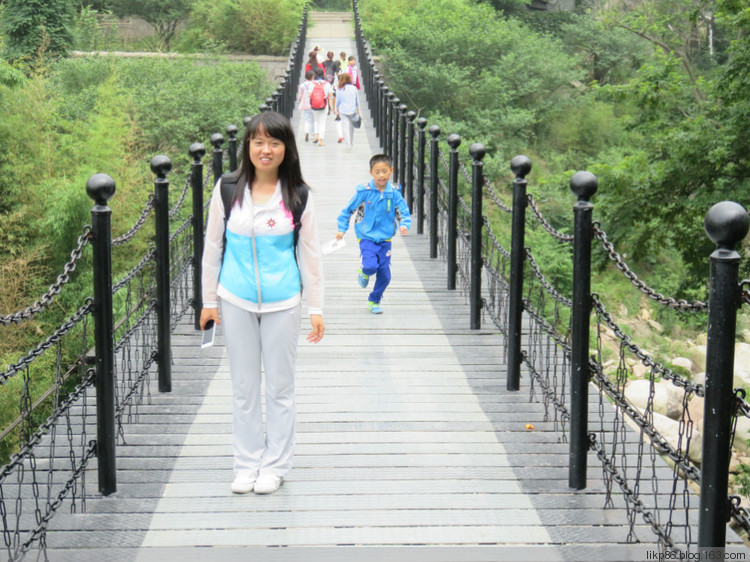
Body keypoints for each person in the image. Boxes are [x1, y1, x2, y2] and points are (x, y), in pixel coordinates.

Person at [200, 111, 325, 495]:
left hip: (283, 300)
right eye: (258, 142)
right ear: (248, 147)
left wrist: (316, 308)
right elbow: (212, 246)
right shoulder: (227, 189)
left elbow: (310, 254)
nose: (265, 150)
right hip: (234, 297)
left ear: (286, 148)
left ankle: (274, 466)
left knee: (280, 388)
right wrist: (208, 300)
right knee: (244, 386)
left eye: (274, 142)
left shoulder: (299, 196)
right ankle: (246, 463)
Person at [335, 154, 411, 314]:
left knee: (385, 275)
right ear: (371, 173)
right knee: (370, 266)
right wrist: (342, 228)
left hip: (385, 238)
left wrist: (404, 225)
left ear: (391, 171)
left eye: (384, 171)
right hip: (366, 236)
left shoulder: (394, 193)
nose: (381, 175)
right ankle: (364, 271)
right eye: (377, 172)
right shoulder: (364, 192)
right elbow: (348, 210)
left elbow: (403, 211)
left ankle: (374, 300)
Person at [334, 72, 360, 152]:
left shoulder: (339, 89)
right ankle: (351, 142)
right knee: (352, 127)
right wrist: (358, 110)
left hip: (343, 110)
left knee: (345, 127)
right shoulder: (354, 88)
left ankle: (348, 145)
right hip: (352, 109)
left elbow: (337, 101)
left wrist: (336, 110)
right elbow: (357, 101)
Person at [310, 67, 332, 146]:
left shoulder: (312, 83)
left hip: (314, 104)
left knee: (316, 120)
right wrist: (330, 106)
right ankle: (321, 140)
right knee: (322, 122)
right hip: (323, 104)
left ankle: (316, 135)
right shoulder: (327, 83)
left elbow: (309, 94)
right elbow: (330, 94)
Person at [297, 70, 315, 142]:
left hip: (305, 104)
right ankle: (312, 134)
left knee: (306, 119)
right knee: (313, 119)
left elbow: (300, 95)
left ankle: (306, 132)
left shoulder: (302, 85)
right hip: (313, 103)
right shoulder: (314, 84)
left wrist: (299, 101)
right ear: (312, 77)